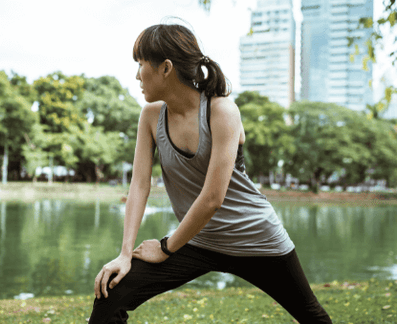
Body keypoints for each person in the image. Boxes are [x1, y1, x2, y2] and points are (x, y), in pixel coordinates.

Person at [89, 23, 332, 323]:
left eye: (140, 65)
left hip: (254, 239)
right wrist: (125, 254)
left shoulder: (222, 112)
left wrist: (165, 247)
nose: (137, 75)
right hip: (197, 239)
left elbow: (212, 198)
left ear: (166, 68)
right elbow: (139, 185)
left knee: (311, 316)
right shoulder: (151, 116)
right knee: (111, 293)